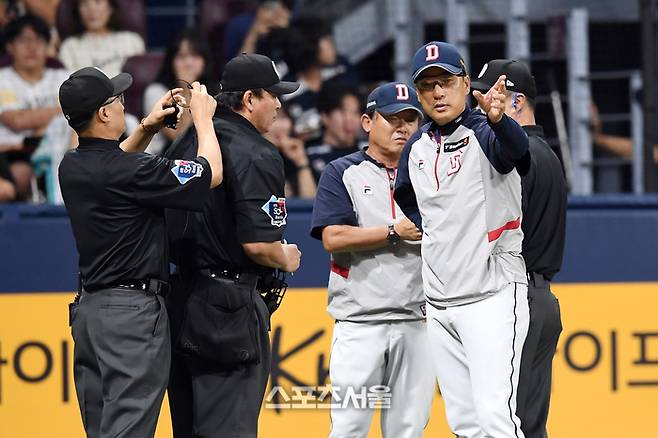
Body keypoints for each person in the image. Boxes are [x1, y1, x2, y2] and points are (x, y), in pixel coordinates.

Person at [58, 66, 222, 438]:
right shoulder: (133, 170)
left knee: (104, 430)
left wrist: (147, 128)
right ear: (103, 113)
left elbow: (116, 165)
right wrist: (203, 120)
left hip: (91, 313)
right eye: (116, 100)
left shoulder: (72, 166)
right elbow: (209, 174)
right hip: (131, 317)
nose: (122, 105)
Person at [394, 41, 530, 438]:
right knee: (465, 424)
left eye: (446, 82)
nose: (437, 92)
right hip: (440, 302)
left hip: (492, 295)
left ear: (465, 83)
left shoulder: (486, 132)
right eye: (427, 86)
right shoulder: (416, 146)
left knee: (495, 418)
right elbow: (406, 196)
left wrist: (501, 119)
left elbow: (516, 153)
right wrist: (439, 232)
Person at [163, 53, 302, 438]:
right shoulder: (257, 152)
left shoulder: (186, 143)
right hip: (230, 309)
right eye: (272, 95)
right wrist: (286, 257)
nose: (278, 104)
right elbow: (259, 244)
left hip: (178, 301)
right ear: (249, 99)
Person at [310, 82, 434, 437]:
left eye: (410, 119)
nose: (402, 127)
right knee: (350, 429)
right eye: (392, 118)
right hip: (360, 322)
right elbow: (333, 238)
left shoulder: (430, 172)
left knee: (408, 431)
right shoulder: (342, 171)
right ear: (367, 122)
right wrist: (393, 231)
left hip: (417, 321)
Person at [472, 59, 567, 438]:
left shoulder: (518, 158)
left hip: (515, 299)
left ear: (517, 101)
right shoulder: (546, 153)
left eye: (492, 93)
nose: (480, 102)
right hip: (539, 298)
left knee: (501, 424)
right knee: (526, 424)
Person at [0, 13, 68, 200]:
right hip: (14, 153)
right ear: (10, 47)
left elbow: (85, 111)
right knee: (21, 175)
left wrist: (40, 124)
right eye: (23, 41)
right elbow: (16, 121)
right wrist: (61, 111)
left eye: (38, 40)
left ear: (47, 46)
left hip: (60, 148)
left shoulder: (62, 77)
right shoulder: (3, 79)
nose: (31, 47)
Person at [144, 28, 216, 154]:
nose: (188, 63)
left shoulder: (215, 91)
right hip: (166, 159)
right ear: (171, 61)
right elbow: (179, 138)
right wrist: (187, 90)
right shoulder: (157, 92)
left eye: (194, 56)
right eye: (182, 56)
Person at [58, 0, 145, 77]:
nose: (91, 9)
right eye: (85, 3)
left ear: (110, 8)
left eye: (97, 2)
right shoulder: (70, 47)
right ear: (78, 10)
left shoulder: (131, 41)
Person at [306, 82, 363, 180]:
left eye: (355, 112)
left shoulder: (370, 152)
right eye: (342, 112)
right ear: (324, 116)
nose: (349, 119)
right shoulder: (307, 155)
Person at [264, 106, 316, 198]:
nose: (278, 126)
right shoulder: (251, 155)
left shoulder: (298, 152)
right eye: (273, 118)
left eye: (283, 118)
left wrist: (301, 162)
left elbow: (309, 203)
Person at [223, 0, 292, 61]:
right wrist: (254, 33)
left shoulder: (293, 20)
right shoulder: (239, 25)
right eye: (269, 8)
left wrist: (285, 31)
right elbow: (240, 70)